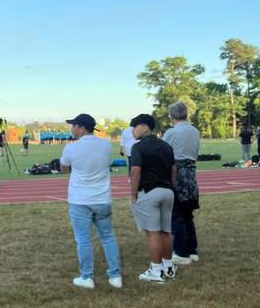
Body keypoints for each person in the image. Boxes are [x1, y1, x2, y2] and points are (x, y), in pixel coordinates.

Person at [60, 114, 121, 290]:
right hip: (102, 198)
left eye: (73, 126)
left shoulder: (71, 148)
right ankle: (115, 275)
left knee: (84, 239)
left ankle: (87, 276)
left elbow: (64, 168)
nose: (71, 129)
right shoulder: (106, 144)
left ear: (81, 127)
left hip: (80, 199)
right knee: (108, 237)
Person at [128, 113, 177, 284]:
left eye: (135, 126)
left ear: (145, 127)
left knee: (152, 232)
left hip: (149, 192)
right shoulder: (166, 146)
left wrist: (133, 194)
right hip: (168, 191)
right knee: (166, 231)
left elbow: (135, 171)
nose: (133, 130)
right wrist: (172, 187)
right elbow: (173, 171)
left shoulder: (138, 147)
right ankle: (169, 266)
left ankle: (156, 271)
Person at [162, 102, 201, 265]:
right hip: (191, 173)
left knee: (176, 214)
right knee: (187, 213)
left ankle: (181, 252)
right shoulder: (195, 131)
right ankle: (192, 250)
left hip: (177, 173)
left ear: (171, 116)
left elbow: (162, 150)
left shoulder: (171, 132)